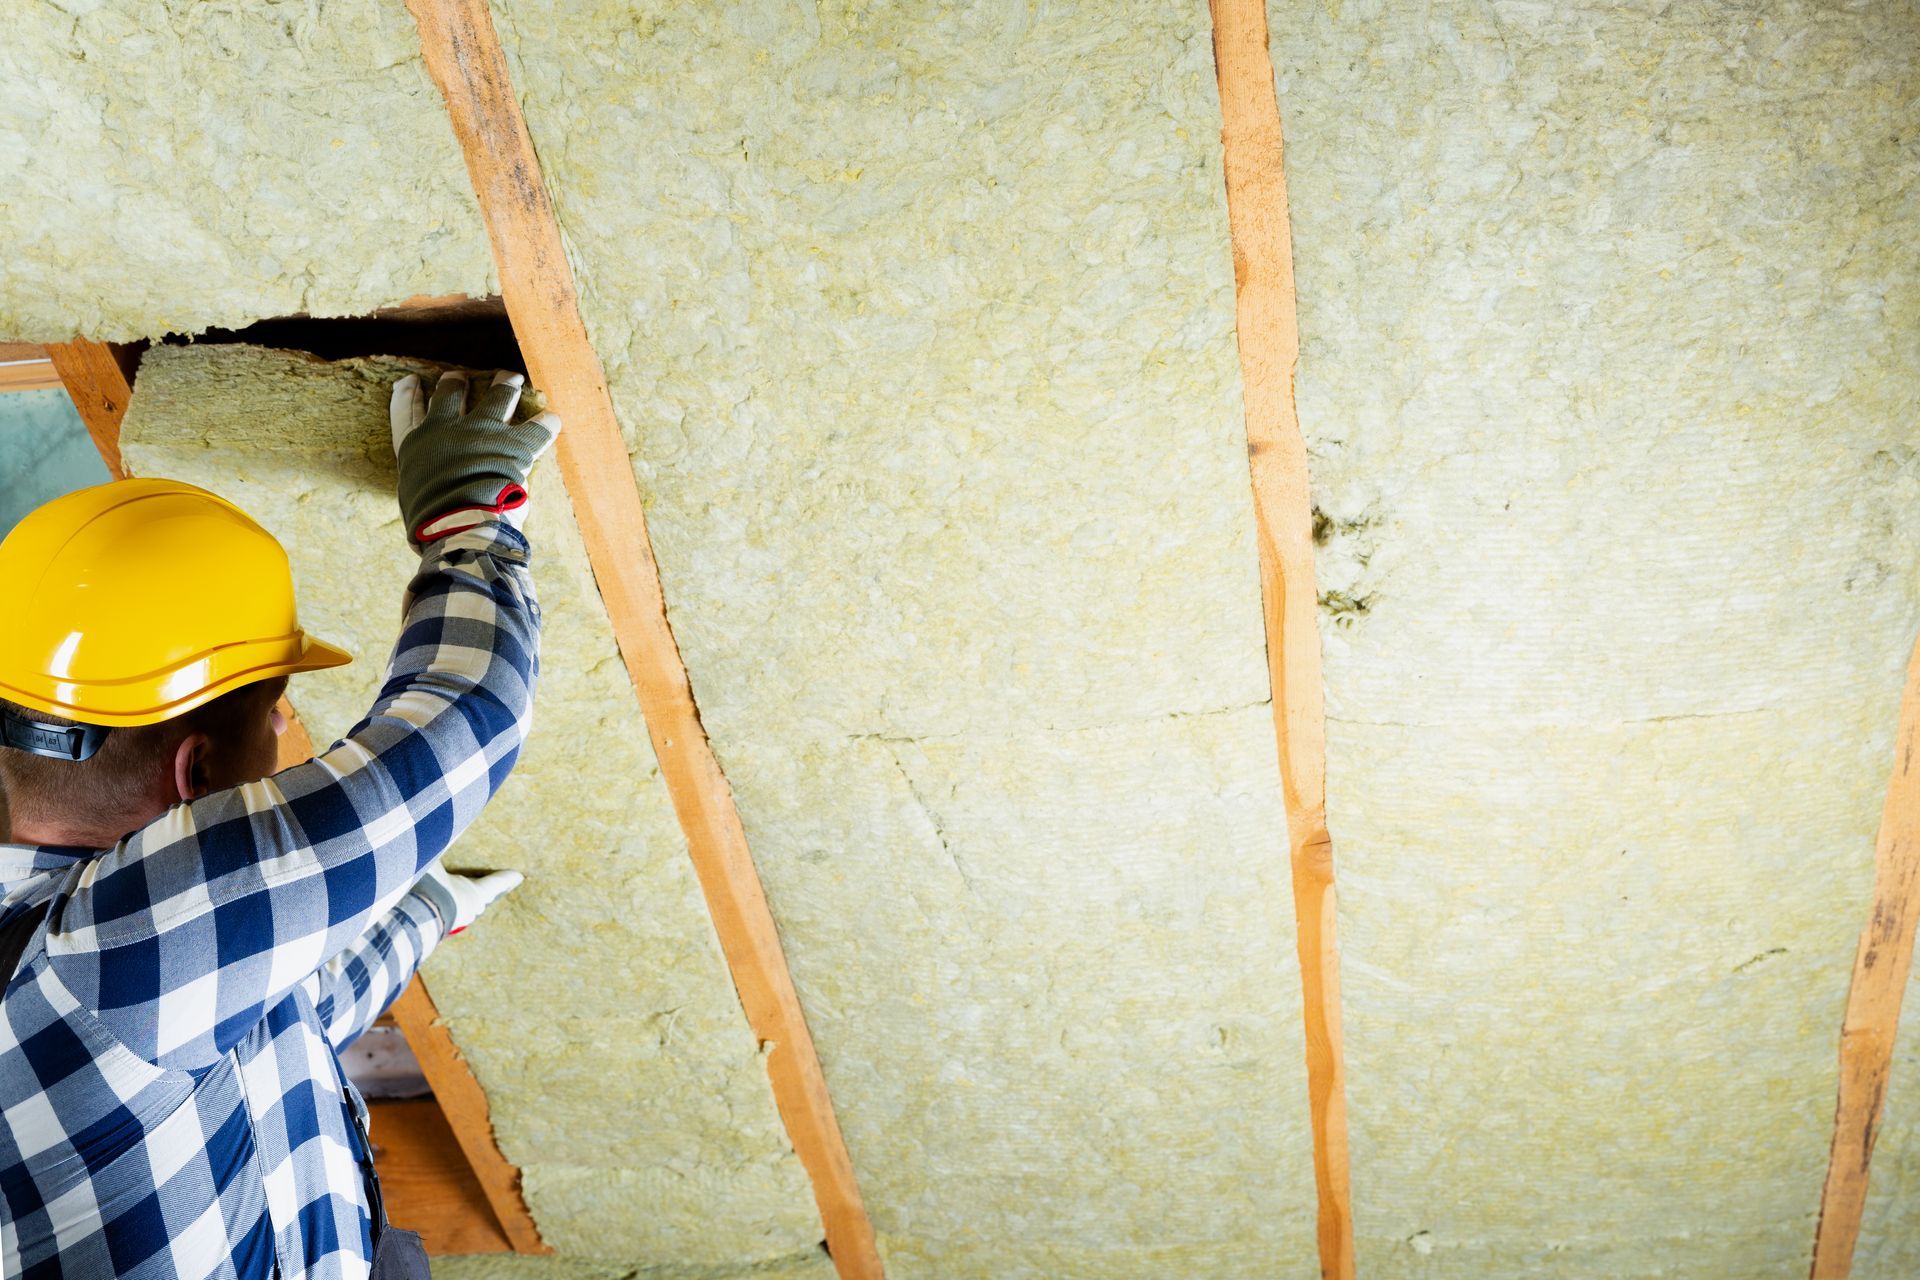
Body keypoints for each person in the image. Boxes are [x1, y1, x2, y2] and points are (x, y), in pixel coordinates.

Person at [0, 369, 558, 1279]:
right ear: (199, 773)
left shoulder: (104, 968)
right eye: (275, 719)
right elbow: (464, 720)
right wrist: (468, 522)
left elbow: (288, 1020)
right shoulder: (122, 943)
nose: (286, 739)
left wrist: (422, 912)